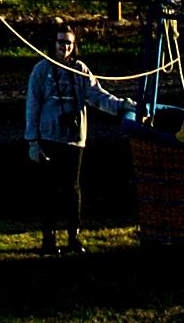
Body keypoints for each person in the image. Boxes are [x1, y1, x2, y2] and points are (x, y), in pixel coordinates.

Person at [23, 31, 126, 253]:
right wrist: (32, 140)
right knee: (48, 189)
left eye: (69, 43)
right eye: (61, 42)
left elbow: (98, 96)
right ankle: (48, 239)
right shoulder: (41, 69)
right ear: (54, 43)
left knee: (72, 189)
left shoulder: (79, 69)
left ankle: (73, 237)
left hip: (74, 138)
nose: (65, 47)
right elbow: (32, 105)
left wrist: (123, 106)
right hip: (48, 136)